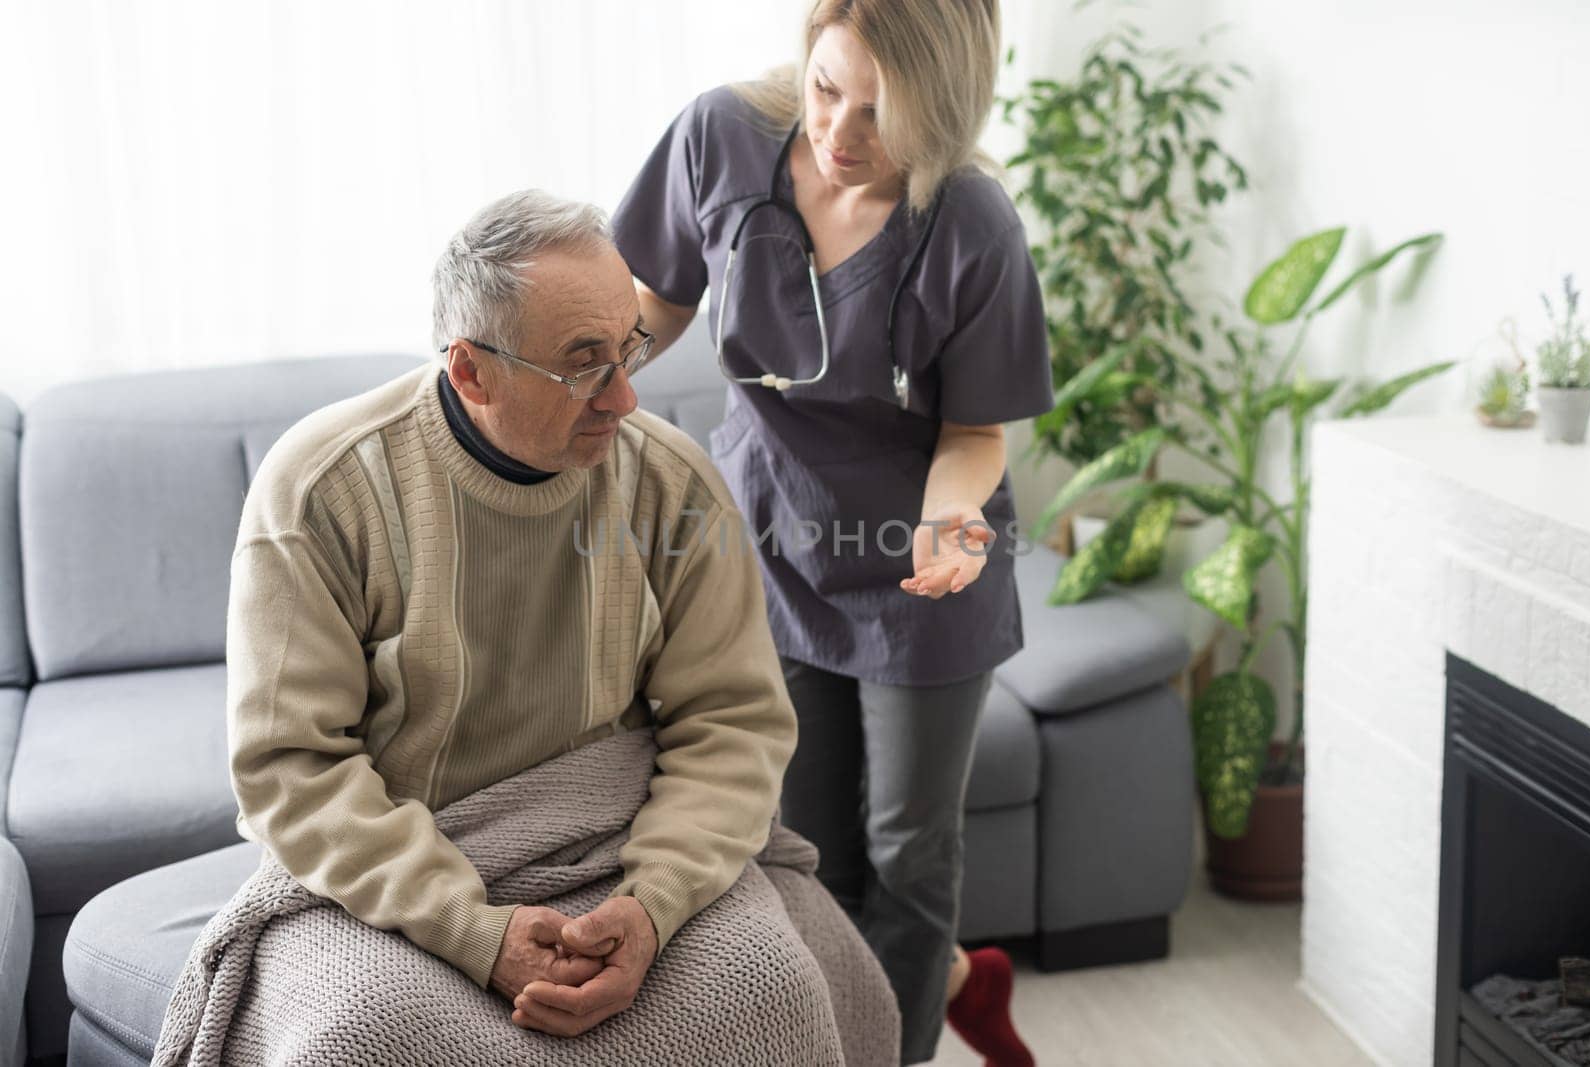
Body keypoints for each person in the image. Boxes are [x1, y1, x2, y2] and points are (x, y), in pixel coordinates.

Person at [224, 189, 800, 1039]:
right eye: (582, 364)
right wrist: (472, 930)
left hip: (619, 834)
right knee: (355, 1035)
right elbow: (290, 767)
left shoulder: (671, 483)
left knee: (770, 987)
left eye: (629, 349)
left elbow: (733, 720)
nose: (625, 400)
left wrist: (652, 903)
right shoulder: (320, 489)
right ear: (469, 369)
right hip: (401, 855)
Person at [612, 1, 1052, 1063]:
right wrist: (585, 367)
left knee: (908, 854)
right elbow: (660, 298)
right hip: (772, 547)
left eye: (878, 111)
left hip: (923, 576)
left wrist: (950, 519)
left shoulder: (971, 224)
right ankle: (946, 983)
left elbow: (975, 430)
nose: (838, 134)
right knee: (806, 851)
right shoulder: (717, 136)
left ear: (941, 107)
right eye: (823, 89)